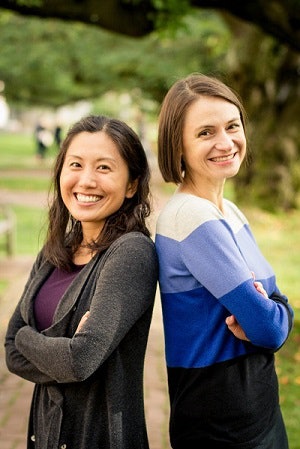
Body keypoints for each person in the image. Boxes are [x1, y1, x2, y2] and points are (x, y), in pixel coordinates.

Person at [155, 74, 294, 449]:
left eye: (232, 126)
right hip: (220, 417)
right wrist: (276, 312)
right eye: (205, 133)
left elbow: (274, 307)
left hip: (257, 404)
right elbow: (268, 327)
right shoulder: (190, 217)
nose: (225, 142)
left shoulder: (228, 211)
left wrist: (274, 308)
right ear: (177, 145)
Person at [5, 114, 158, 449]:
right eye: (75, 164)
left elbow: (79, 360)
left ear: (131, 184)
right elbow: (10, 351)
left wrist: (27, 337)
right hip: (46, 430)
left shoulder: (131, 253)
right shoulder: (55, 250)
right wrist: (55, 348)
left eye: (104, 168)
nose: (86, 180)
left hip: (99, 435)